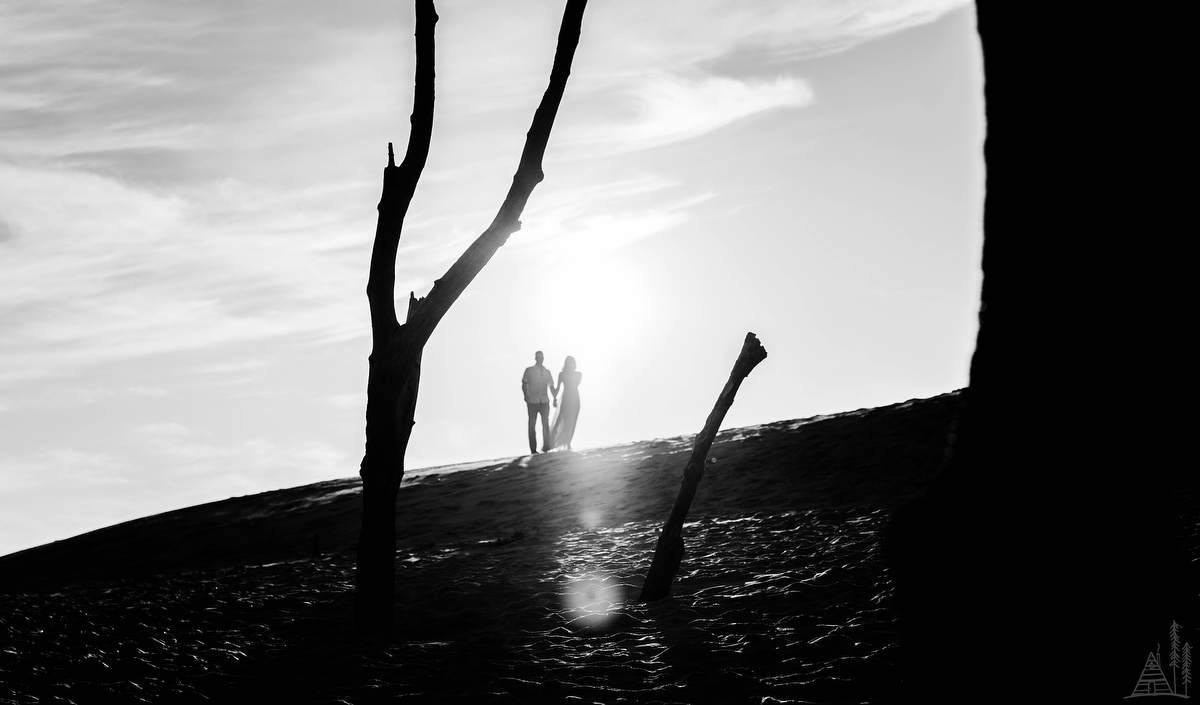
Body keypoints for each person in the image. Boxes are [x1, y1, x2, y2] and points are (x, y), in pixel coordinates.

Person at [521, 350, 557, 454]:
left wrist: (555, 397)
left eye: (541, 357)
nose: (540, 359)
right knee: (532, 424)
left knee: (545, 423)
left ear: (543, 359)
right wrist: (526, 396)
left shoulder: (547, 372)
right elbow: (524, 383)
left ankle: (546, 446)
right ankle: (533, 449)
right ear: (535, 358)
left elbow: (551, 386)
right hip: (532, 401)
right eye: (538, 357)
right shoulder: (529, 370)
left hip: (544, 400)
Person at [549, 356, 582, 451]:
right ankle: (555, 442)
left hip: (574, 398)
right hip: (567, 398)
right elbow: (558, 388)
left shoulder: (578, 374)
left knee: (572, 421)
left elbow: (576, 383)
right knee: (564, 420)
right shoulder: (562, 374)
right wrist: (554, 398)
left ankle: (568, 442)